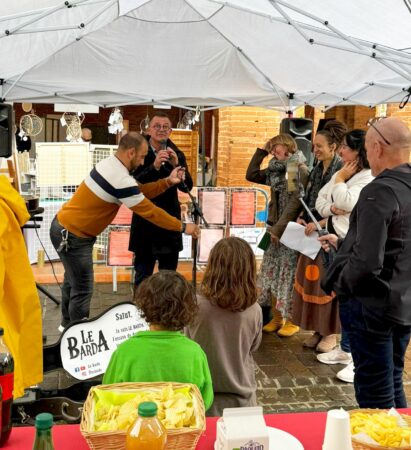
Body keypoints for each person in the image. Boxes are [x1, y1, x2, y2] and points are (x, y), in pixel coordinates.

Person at [50, 132, 200, 331]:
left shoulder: (110, 165)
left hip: (64, 228)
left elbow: (138, 191)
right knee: (83, 289)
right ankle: (76, 336)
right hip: (73, 236)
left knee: (72, 281)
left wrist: (167, 182)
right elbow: (151, 212)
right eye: (141, 156)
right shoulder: (120, 178)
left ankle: (66, 327)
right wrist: (183, 227)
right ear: (131, 152)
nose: (142, 162)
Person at [321, 117, 411, 408]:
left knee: (375, 391)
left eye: (367, 150)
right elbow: (396, 242)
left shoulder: (379, 190)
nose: (365, 156)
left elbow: (368, 262)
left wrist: (341, 284)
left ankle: (383, 440)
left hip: (372, 306)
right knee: (392, 378)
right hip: (402, 301)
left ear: (377, 147)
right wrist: (344, 244)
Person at [103, 271, 213, 410]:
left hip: (134, 428)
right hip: (181, 428)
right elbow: (205, 400)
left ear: (144, 306)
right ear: (187, 309)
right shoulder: (195, 353)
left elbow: (106, 395)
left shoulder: (124, 352)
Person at [314, 130, 373, 383]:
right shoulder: (350, 175)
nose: (341, 153)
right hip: (337, 240)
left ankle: (355, 356)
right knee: (344, 298)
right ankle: (346, 349)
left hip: (352, 244)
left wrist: (339, 179)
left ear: (358, 152)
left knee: (354, 302)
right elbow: (320, 201)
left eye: (346, 148)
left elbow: (348, 202)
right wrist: (333, 208)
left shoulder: (364, 177)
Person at [185, 237, 262, 416]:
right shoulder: (254, 310)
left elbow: (188, 340)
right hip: (241, 398)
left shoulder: (195, 305)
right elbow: (253, 346)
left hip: (201, 397)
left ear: (212, 266)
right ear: (249, 269)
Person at [291, 120, 347, 353]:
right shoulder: (317, 168)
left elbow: (342, 207)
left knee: (328, 284)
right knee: (312, 283)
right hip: (312, 233)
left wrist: (321, 224)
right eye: (314, 146)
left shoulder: (340, 170)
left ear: (333, 147)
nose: (314, 150)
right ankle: (317, 328)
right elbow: (312, 199)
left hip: (330, 235)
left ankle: (331, 333)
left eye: (319, 146)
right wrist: (304, 218)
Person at [246, 134, 309, 337]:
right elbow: (251, 175)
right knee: (269, 271)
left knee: (288, 273)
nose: (274, 151)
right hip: (273, 228)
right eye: (272, 148)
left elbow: (294, 203)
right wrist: (262, 151)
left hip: (287, 229)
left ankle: (291, 318)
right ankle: (276, 316)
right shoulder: (275, 169)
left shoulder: (294, 168)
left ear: (288, 146)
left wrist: (278, 229)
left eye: (276, 147)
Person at [129, 112, 193, 286]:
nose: (161, 130)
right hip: (145, 220)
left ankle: (167, 311)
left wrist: (175, 165)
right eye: (157, 126)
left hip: (168, 221)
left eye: (165, 127)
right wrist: (155, 166)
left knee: (169, 278)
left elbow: (187, 186)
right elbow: (133, 182)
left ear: (170, 131)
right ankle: (141, 310)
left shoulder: (176, 153)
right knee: (143, 276)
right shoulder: (136, 151)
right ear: (149, 129)